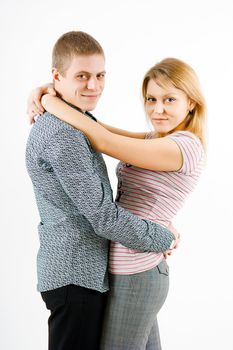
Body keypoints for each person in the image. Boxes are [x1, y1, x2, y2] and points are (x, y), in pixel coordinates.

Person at [29, 57, 206, 349]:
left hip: (138, 269)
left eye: (169, 99)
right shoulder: (158, 138)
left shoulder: (182, 146)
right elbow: (98, 128)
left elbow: (102, 140)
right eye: (151, 99)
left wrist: (49, 100)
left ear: (190, 103)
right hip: (131, 265)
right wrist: (53, 91)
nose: (157, 109)